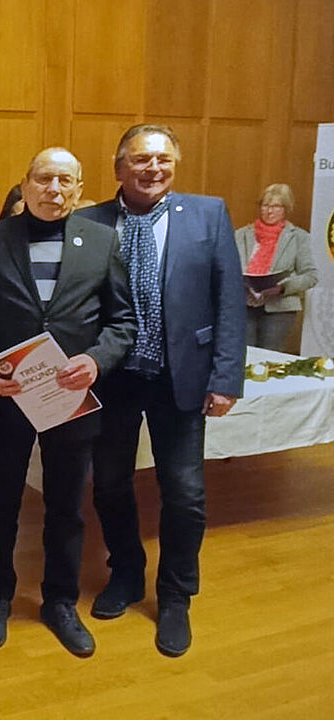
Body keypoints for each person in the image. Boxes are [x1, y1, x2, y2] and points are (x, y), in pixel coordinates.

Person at [77, 124, 246, 657]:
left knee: (186, 493)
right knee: (108, 484)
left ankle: (175, 595)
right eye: (141, 159)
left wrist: (225, 377)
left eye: (163, 160)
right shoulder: (89, 221)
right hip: (113, 377)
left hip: (182, 376)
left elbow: (228, 303)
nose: (153, 169)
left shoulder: (208, 213)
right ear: (118, 167)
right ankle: (125, 572)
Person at [0, 148, 136, 658]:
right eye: (44, 178)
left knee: (66, 507)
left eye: (65, 180)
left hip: (71, 398)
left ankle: (59, 601)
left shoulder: (103, 242)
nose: (54, 189)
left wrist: (96, 361)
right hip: (8, 398)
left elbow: (122, 322)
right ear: (25, 183)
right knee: (0, 502)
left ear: (80, 187)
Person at [235, 183, 318, 351]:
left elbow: (310, 276)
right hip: (244, 304)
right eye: (265, 205)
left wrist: (281, 288)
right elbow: (228, 267)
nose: (269, 211)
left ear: (286, 209)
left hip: (279, 308)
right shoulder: (241, 234)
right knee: (243, 355)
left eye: (276, 206)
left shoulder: (298, 237)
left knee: (268, 358)